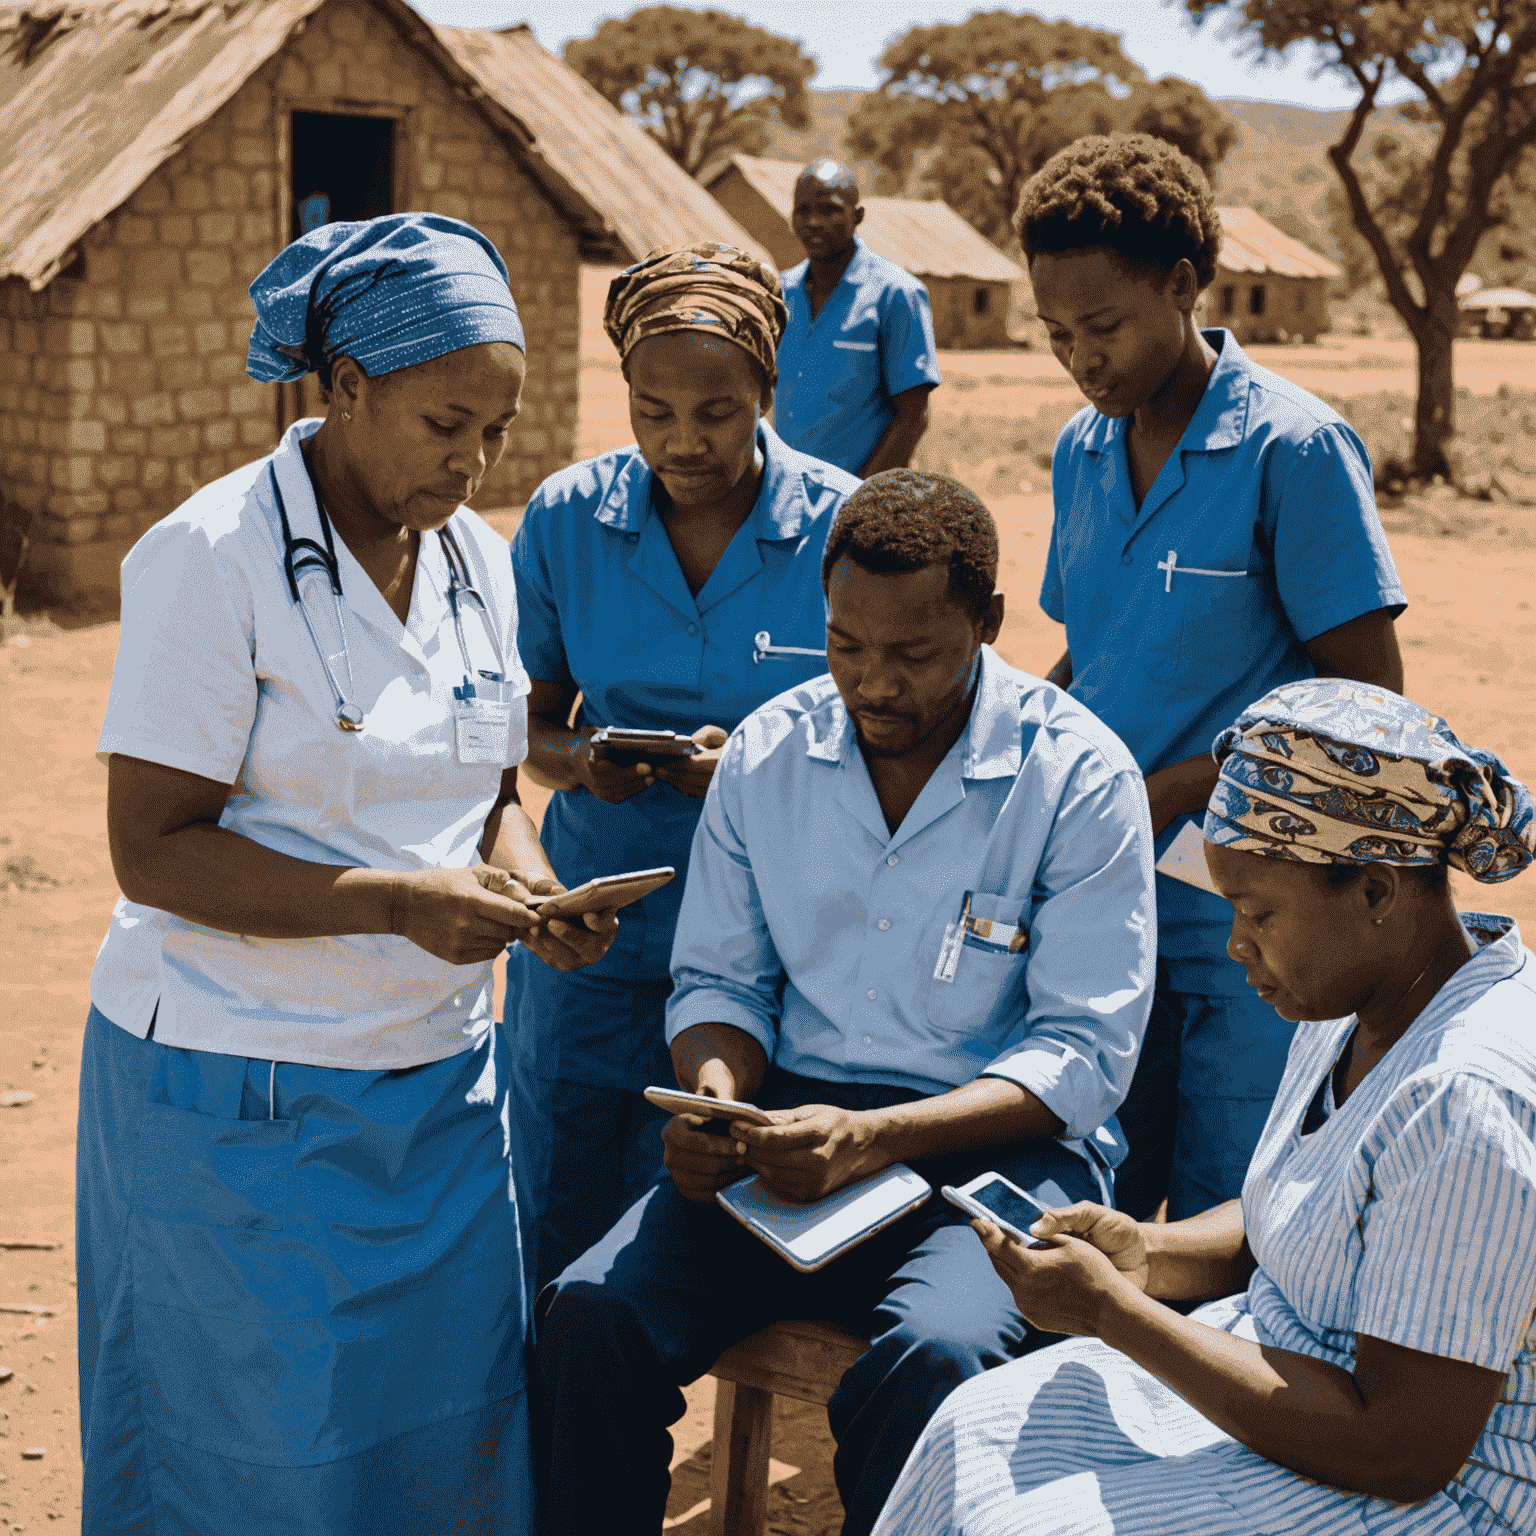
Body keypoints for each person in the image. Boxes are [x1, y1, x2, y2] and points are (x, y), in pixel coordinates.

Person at [76, 213, 618, 1535]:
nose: (475, 459)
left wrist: (531, 890)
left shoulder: (477, 566)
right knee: (256, 1462)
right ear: (346, 388)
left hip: (433, 1097)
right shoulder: (214, 559)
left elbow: (487, 798)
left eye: (495, 430)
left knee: (439, 1446)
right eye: (445, 425)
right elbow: (150, 849)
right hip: (241, 1097)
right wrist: (393, 906)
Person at [537, 471, 1158, 1536]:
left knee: (938, 1363)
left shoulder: (1080, 778)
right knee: (590, 1318)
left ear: (988, 624)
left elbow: (1083, 1053)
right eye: (844, 645)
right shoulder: (768, 756)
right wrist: (717, 1103)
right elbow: (721, 982)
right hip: (790, 1136)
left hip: (996, 1147)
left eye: (914, 656)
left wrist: (879, 1136)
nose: (872, 684)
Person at [871, 678, 1536, 1536]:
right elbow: (1305, 1223)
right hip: (1296, 1378)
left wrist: (1115, 1314)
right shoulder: (1365, 997)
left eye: (1258, 913)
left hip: (1440, 1490)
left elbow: (1401, 1450)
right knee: (976, 1428)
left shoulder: (1467, 1100)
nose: (1235, 945)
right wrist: (1144, 1252)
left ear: (1375, 893)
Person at [1018, 133, 1409, 1221]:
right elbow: (1097, 650)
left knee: (1230, 1205)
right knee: (1095, 1185)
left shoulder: (1295, 449)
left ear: (1184, 284)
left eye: (1104, 328)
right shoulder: (1080, 452)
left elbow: (1372, 709)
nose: (1082, 361)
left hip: (1260, 913)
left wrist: (1187, 787)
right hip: (1106, 890)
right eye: (1057, 337)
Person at [506, 241, 861, 1290]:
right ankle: (575, 1455)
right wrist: (581, 760)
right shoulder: (567, 520)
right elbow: (522, 728)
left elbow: (895, 738)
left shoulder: (843, 528)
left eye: (715, 411)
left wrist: (755, 767)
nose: (681, 440)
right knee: (562, 1223)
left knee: (728, 1244)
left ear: (768, 387)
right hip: (591, 937)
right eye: (651, 410)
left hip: (775, 947)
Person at [773, 158, 942, 476]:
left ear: (858, 216)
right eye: (803, 210)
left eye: (829, 210)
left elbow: (912, 418)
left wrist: (860, 499)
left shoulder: (895, 295)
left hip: (854, 497)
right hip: (785, 496)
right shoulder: (780, 294)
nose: (813, 222)